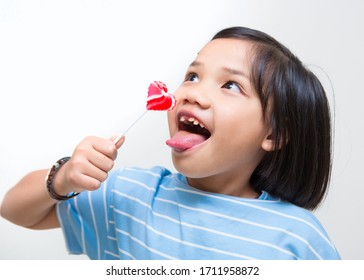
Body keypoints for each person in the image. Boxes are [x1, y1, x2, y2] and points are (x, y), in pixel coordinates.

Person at [0, 26, 340, 260]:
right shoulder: (130, 195)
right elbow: (15, 209)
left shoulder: (298, 237)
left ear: (274, 134)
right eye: (192, 76)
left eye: (230, 86)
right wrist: (63, 178)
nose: (193, 92)